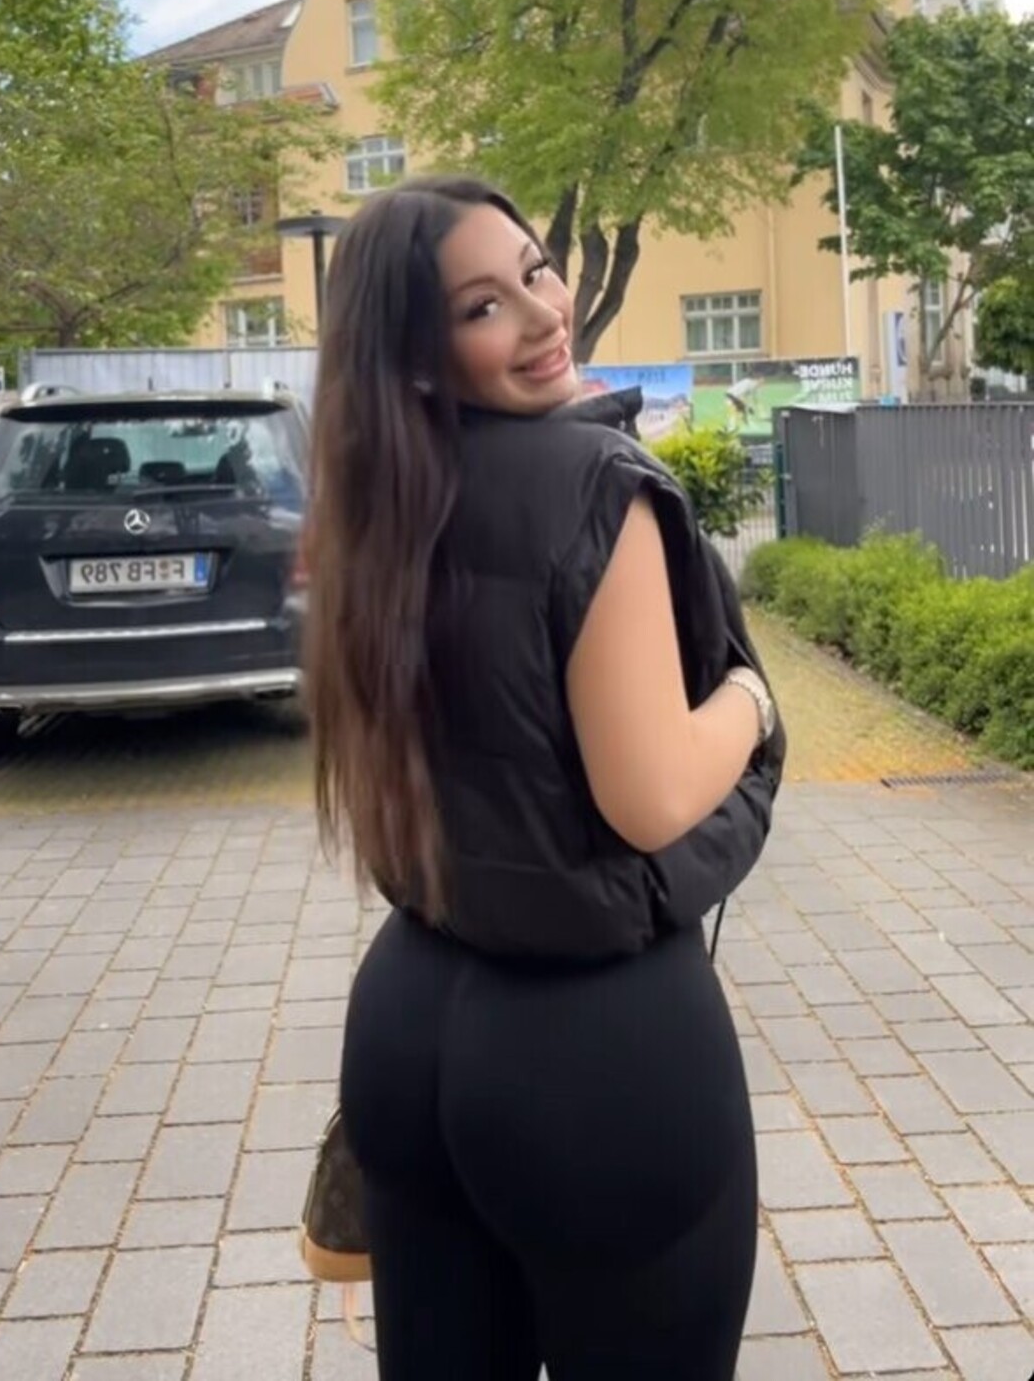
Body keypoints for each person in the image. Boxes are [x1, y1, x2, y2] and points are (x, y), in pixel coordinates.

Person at [305, 176, 784, 1381]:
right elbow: (650, 794)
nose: (540, 313)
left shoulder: (373, 498)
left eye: (535, 271)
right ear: (416, 354)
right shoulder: (593, 487)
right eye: (482, 306)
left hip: (408, 1023)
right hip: (596, 1055)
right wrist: (752, 700)